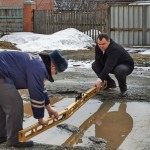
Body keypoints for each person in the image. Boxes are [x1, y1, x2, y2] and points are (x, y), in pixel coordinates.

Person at [0, 50, 68, 148]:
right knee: (15, 105)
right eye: (56, 72)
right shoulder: (39, 68)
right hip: (2, 73)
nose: (54, 74)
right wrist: (40, 118)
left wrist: (49, 108)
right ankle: (15, 141)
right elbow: (36, 94)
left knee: (4, 104)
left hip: (3, 71)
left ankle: (2, 136)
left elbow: (40, 88)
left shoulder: (38, 62)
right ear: (53, 67)